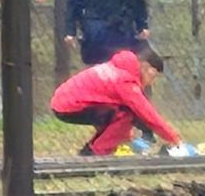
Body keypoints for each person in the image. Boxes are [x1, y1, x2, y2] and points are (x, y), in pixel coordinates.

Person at [50, 43, 191, 156]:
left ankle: (90, 152)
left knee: (120, 119)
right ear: (146, 67)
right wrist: (174, 139)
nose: (151, 82)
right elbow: (147, 114)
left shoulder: (120, 68)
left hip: (63, 101)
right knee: (128, 115)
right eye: (153, 76)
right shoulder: (126, 81)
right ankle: (95, 154)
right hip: (69, 106)